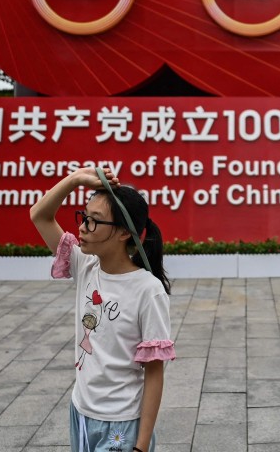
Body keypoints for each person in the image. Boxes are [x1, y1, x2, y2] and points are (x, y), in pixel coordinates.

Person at [30, 167, 174, 452]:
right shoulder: (86, 265)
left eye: (94, 221)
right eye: (84, 216)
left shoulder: (148, 290)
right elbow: (40, 215)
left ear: (123, 233)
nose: (82, 227)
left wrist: (141, 446)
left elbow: (155, 373)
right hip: (81, 412)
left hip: (122, 425)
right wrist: (76, 179)